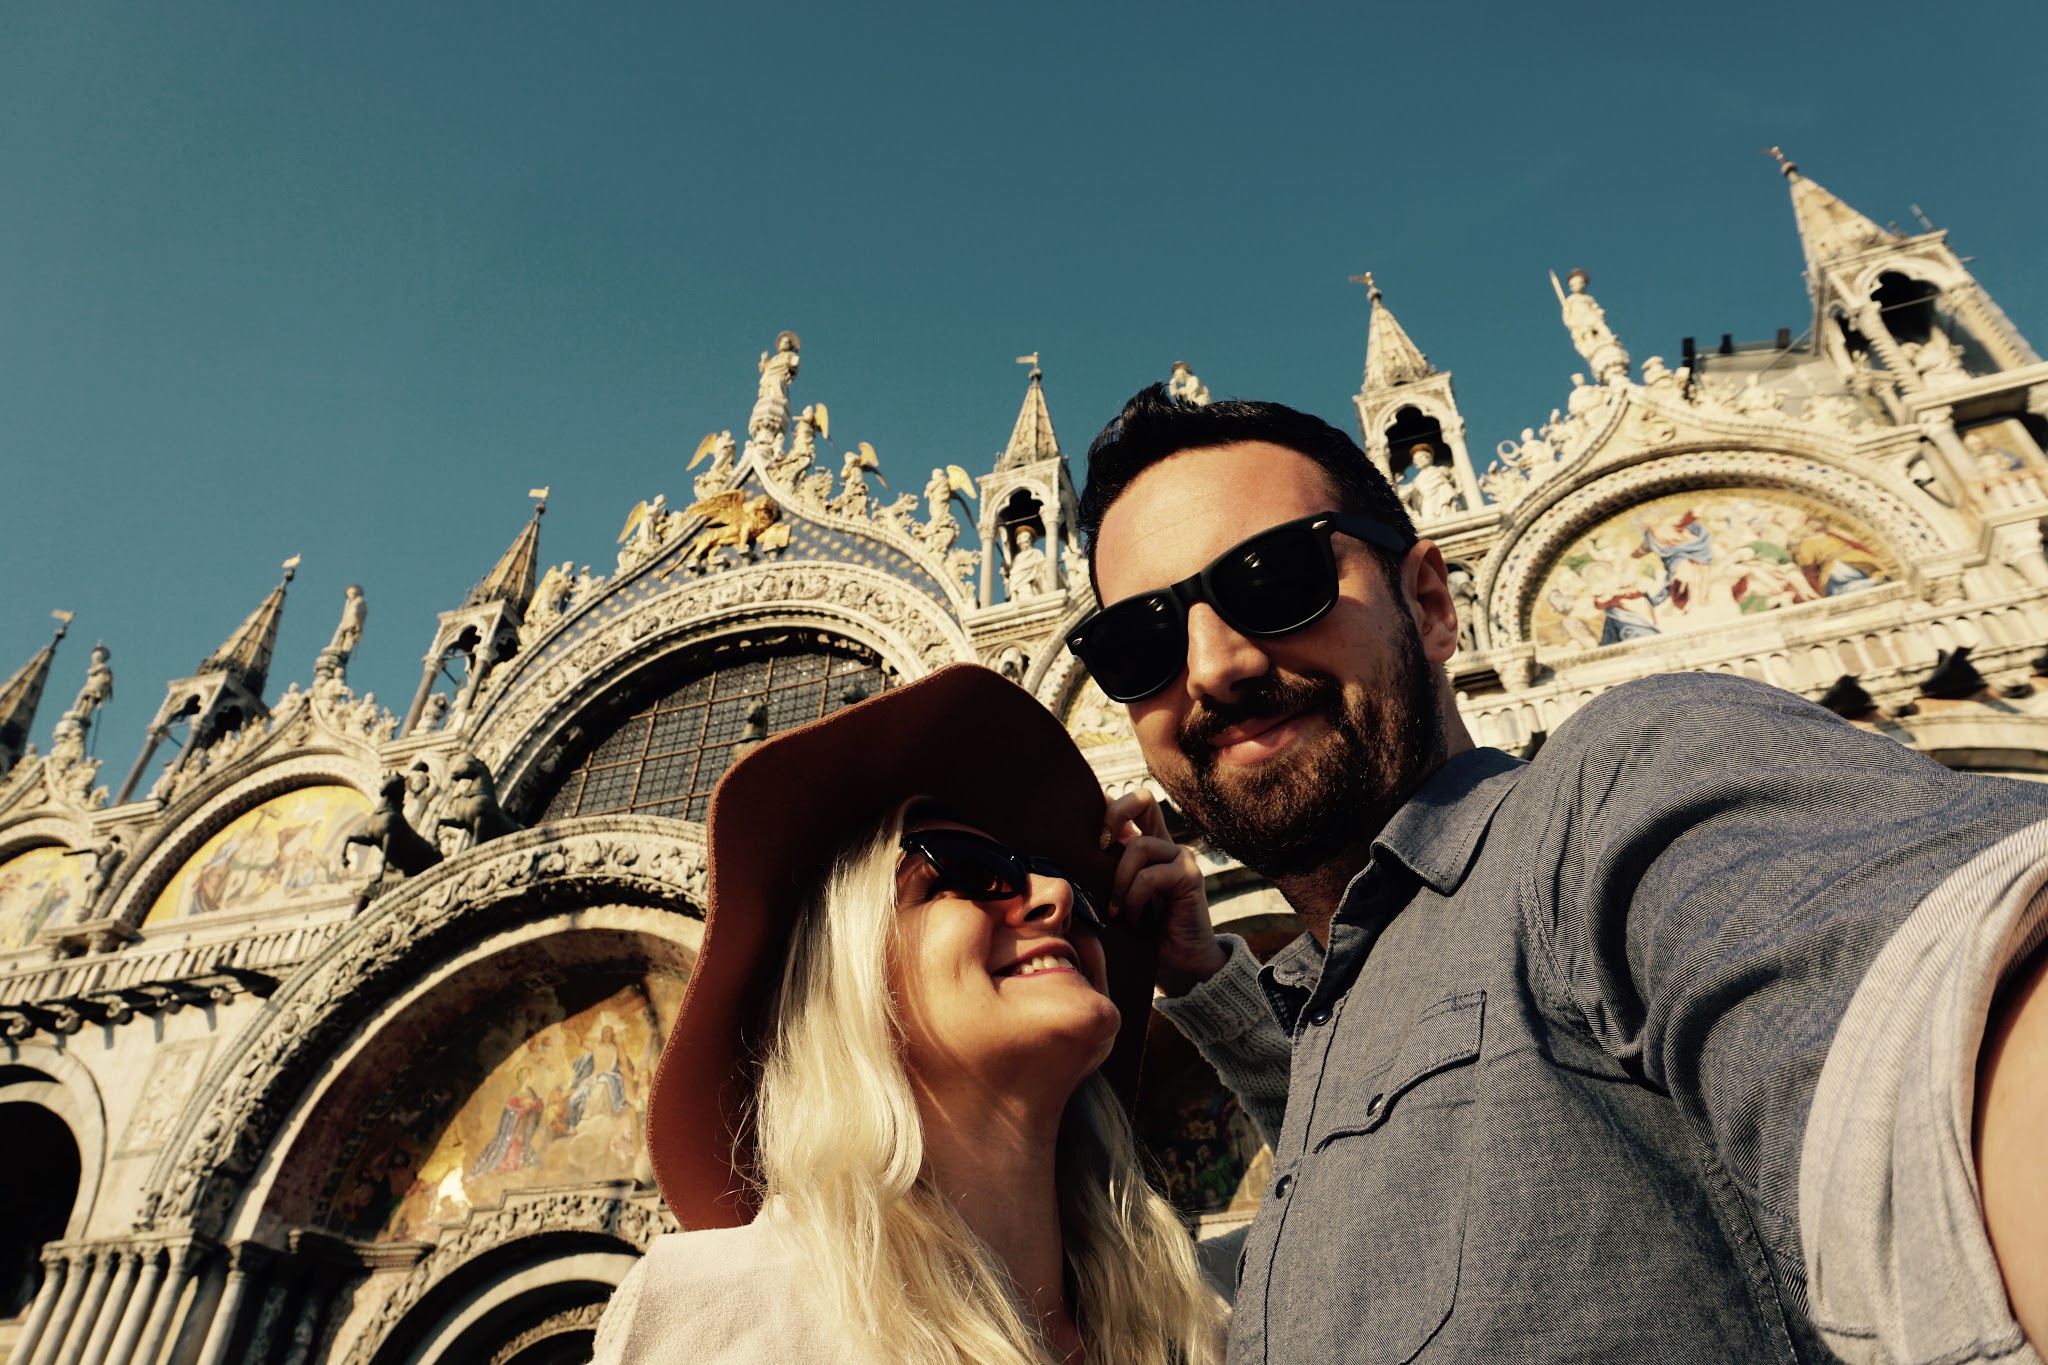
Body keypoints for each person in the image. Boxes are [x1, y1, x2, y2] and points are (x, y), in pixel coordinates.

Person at [1067, 383, 2048, 1363]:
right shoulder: (1348, 1007)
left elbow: (1930, 1004)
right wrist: (1205, 985)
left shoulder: (1612, 798)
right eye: (1138, 643)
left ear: (1430, 603)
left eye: (1275, 579)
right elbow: (1391, 1168)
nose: (1211, 665)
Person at [591, 664, 1223, 1365]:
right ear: (852, 972)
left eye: (1069, 879)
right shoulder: (718, 1316)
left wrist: (1210, 983)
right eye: (967, 871)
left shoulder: (1199, 1314)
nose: (1055, 896)